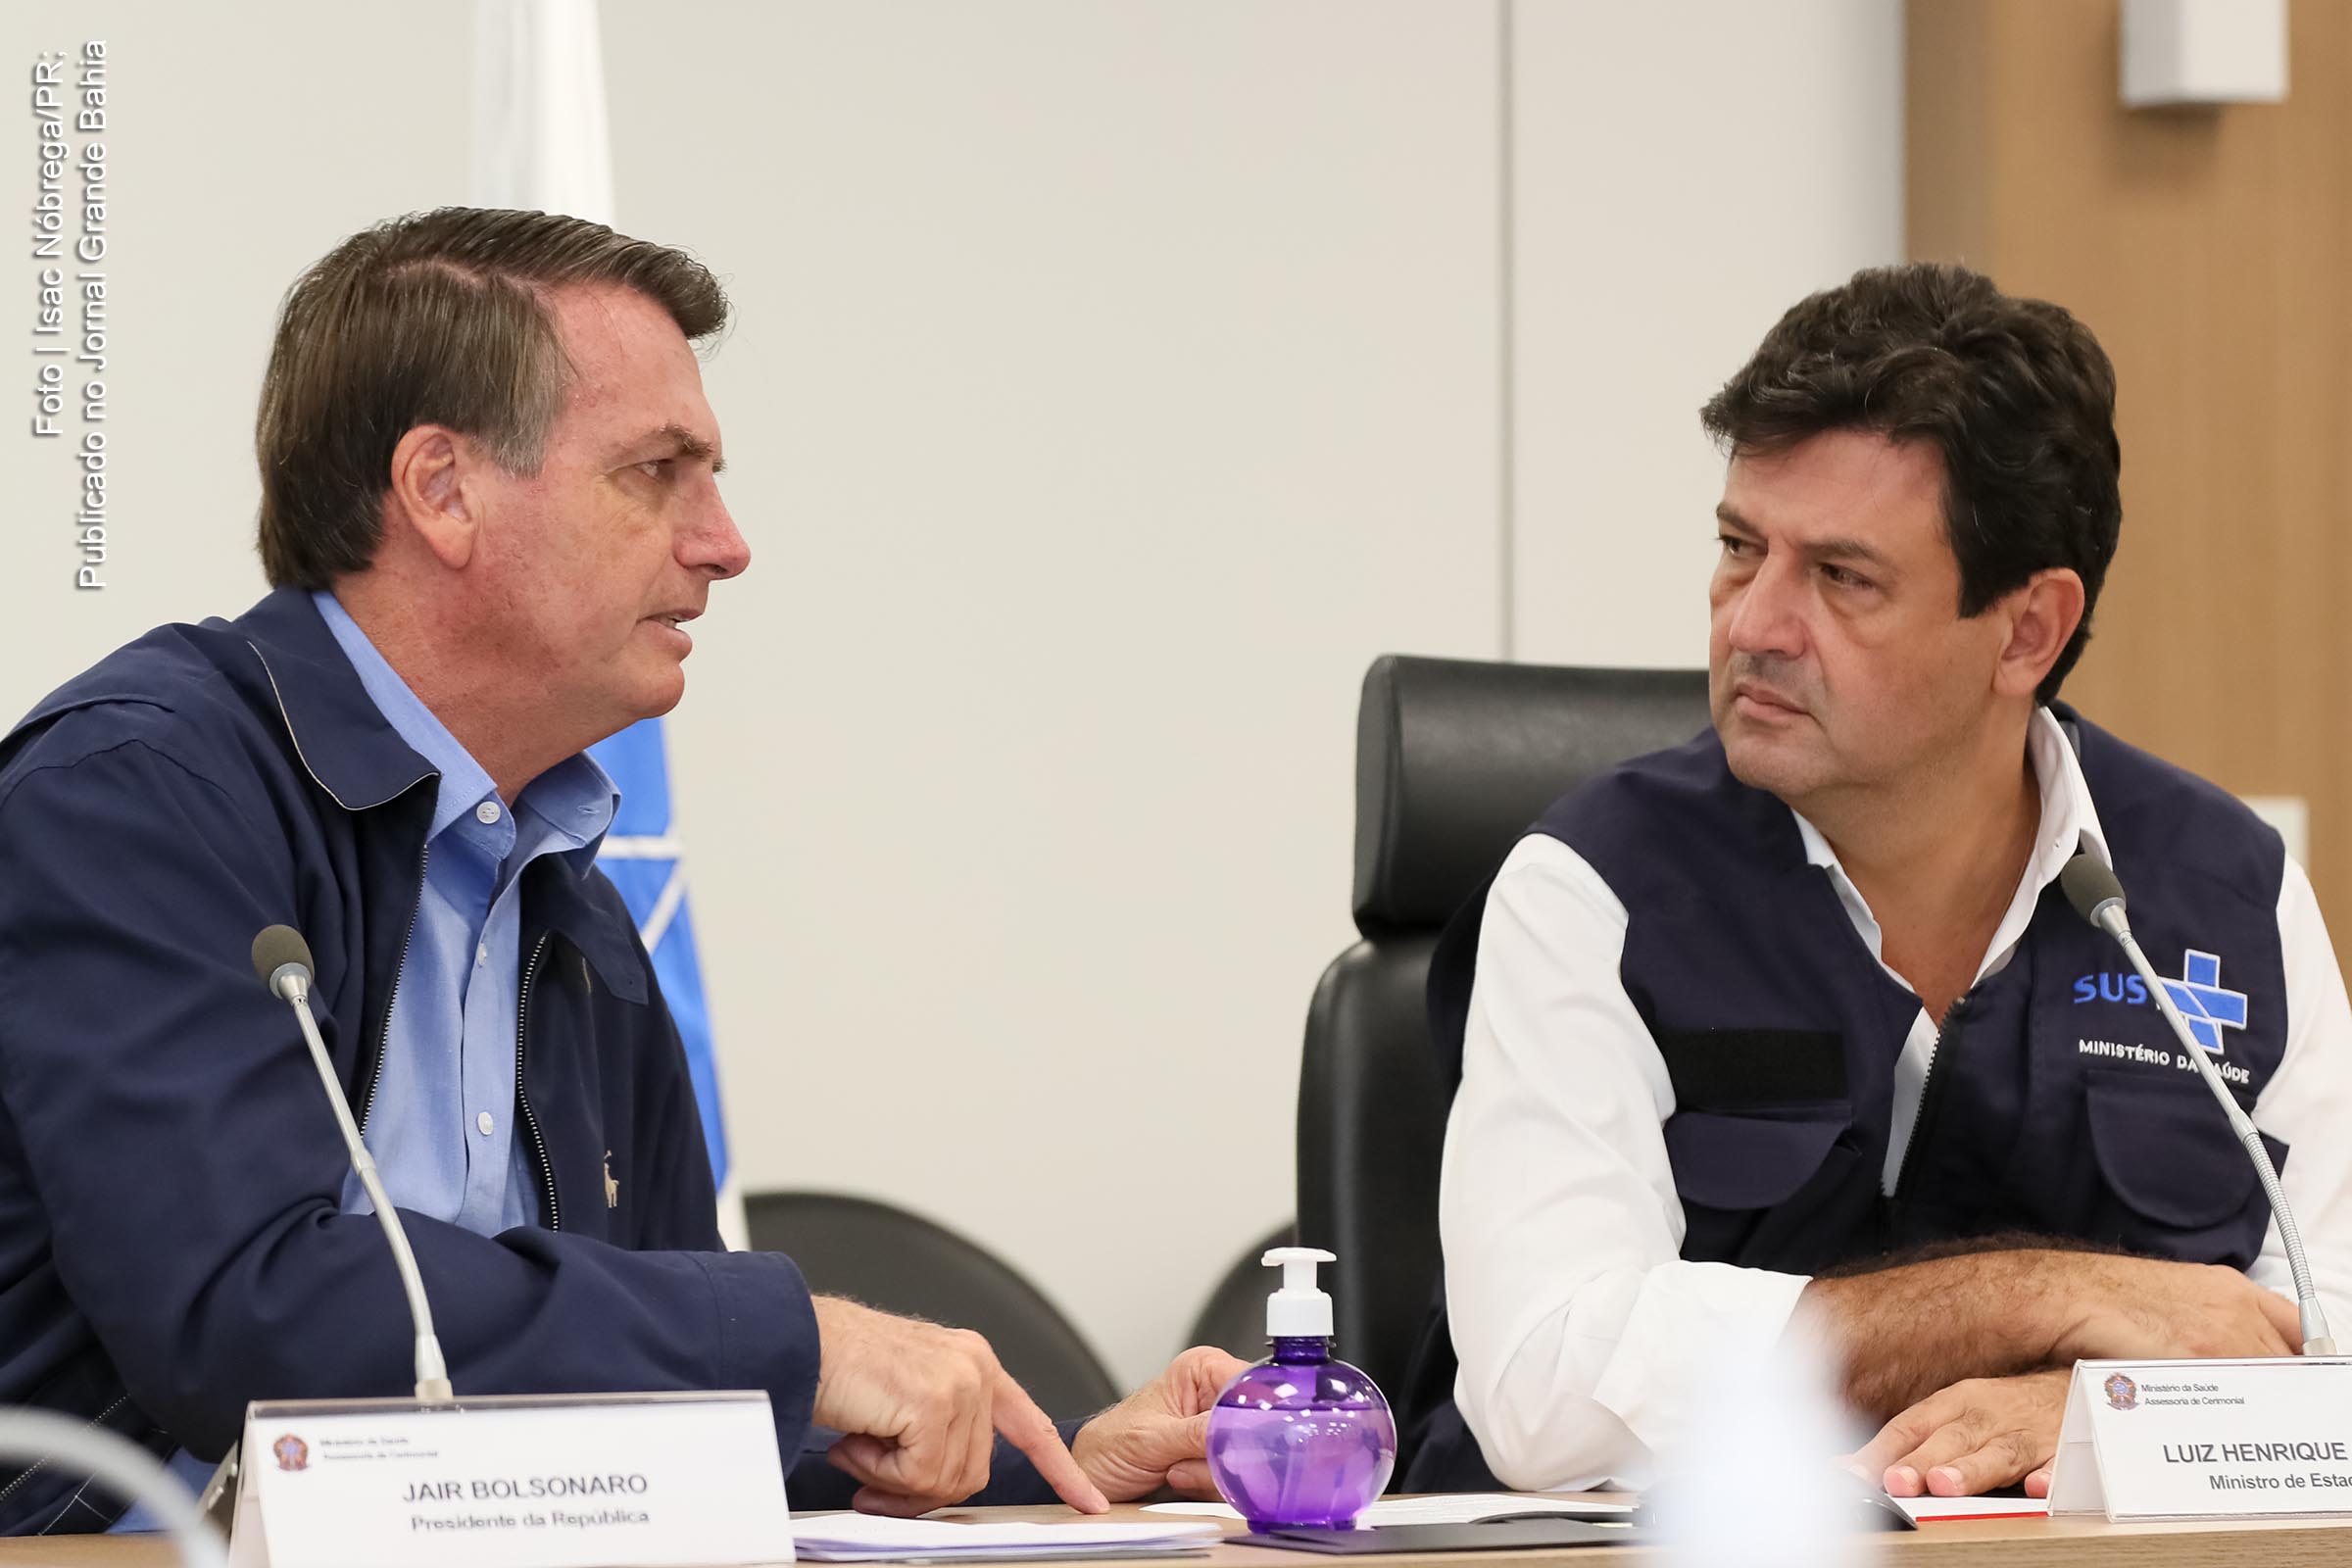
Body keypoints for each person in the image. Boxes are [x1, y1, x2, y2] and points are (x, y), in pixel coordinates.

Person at [0, 208, 1238, 1536]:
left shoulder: (567, 906)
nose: (725, 541)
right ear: (442, 490)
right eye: (658, 472)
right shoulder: (136, 798)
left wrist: (1035, 1467)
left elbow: (669, 1429)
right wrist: (804, 1345)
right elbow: (245, 1312)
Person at [1412, 263, 2352, 1501]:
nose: (1754, 621)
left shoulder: (2222, 895)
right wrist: (2056, 1298)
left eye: (1841, 577)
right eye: (1741, 549)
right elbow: (1545, 1388)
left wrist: (2086, 1408)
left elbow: (2327, 1343)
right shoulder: (1595, 889)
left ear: (2028, 631)